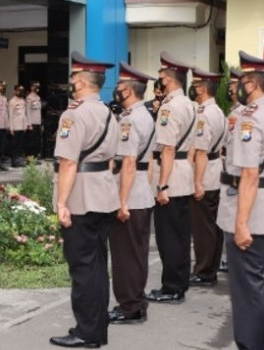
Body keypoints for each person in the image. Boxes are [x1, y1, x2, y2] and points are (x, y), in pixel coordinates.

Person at [217, 51, 264, 350]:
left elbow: (249, 174)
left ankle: (250, 345)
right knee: (258, 285)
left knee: (248, 290)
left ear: (253, 85)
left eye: (242, 82)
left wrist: (241, 224)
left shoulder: (252, 119)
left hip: (251, 209)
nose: (238, 88)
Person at [49, 52, 119, 349]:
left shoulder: (73, 114)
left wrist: (62, 203)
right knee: (97, 266)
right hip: (104, 194)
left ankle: (86, 332)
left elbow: (68, 163)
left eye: (73, 77)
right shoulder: (108, 112)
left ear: (78, 81)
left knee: (82, 269)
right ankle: (95, 327)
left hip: (81, 197)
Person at [108, 62, 156, 325]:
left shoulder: (130, 120)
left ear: (128, 91)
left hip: (130, 195)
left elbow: (128, 162)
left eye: (119, 87)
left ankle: (130, 307)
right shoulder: (145, 115)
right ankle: (135, 303)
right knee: (136, 253)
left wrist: (122, 201)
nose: (116, 91)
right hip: (141, 191)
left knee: (126, 255)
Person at [147, 52, 195, 304]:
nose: (160, 81)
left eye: (161, 77)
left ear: (168, 80)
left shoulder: (169, 107)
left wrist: (162, 185)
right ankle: (180, 283)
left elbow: (167, 148)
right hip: (184, 171)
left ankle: (171, 287)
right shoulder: (190, 105)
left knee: (169, 236)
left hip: (171, 175)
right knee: (181, 233)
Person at [188, 67, 226, 287]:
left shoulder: (203, 114)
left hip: (206, 173)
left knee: (203, 228)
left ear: (202, 88)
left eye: (195, 86)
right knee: (213, 226)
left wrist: (197, 182)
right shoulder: (218, 111)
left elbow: (201, 151)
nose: (193, 90)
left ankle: (203, 271)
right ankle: (210, 267)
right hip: (215, 170)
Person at [218, 67, 244, 274]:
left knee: (232, 218)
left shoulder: (239, 114)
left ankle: (231, 259)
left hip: (237, 174)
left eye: (234, 84)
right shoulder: (236, 111)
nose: (230, 88)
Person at [8, 85, 28, 167]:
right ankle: (14, 161)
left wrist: (26, 125)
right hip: (15, 126)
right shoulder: (12, 101)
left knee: (20, 145)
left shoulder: (23, 101)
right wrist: (11, 128)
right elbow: (10, 115)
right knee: (14, 145)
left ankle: (19, 160)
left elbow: (24, 114)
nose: (21, 92)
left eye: (22, 90)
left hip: (22, 126)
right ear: (15, 91)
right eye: (19, 90)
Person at [25, 81, 44, 159]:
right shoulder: (29, 98)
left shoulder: (38, 97)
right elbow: (27, 111)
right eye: (35, 86)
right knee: (31, 142)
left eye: (38, 86)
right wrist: (29, 124)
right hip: (32, 122)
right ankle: (30, 158)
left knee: (37, 141)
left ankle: (35, 157)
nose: (37, 88)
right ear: (31, 87)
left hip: (37, 122)